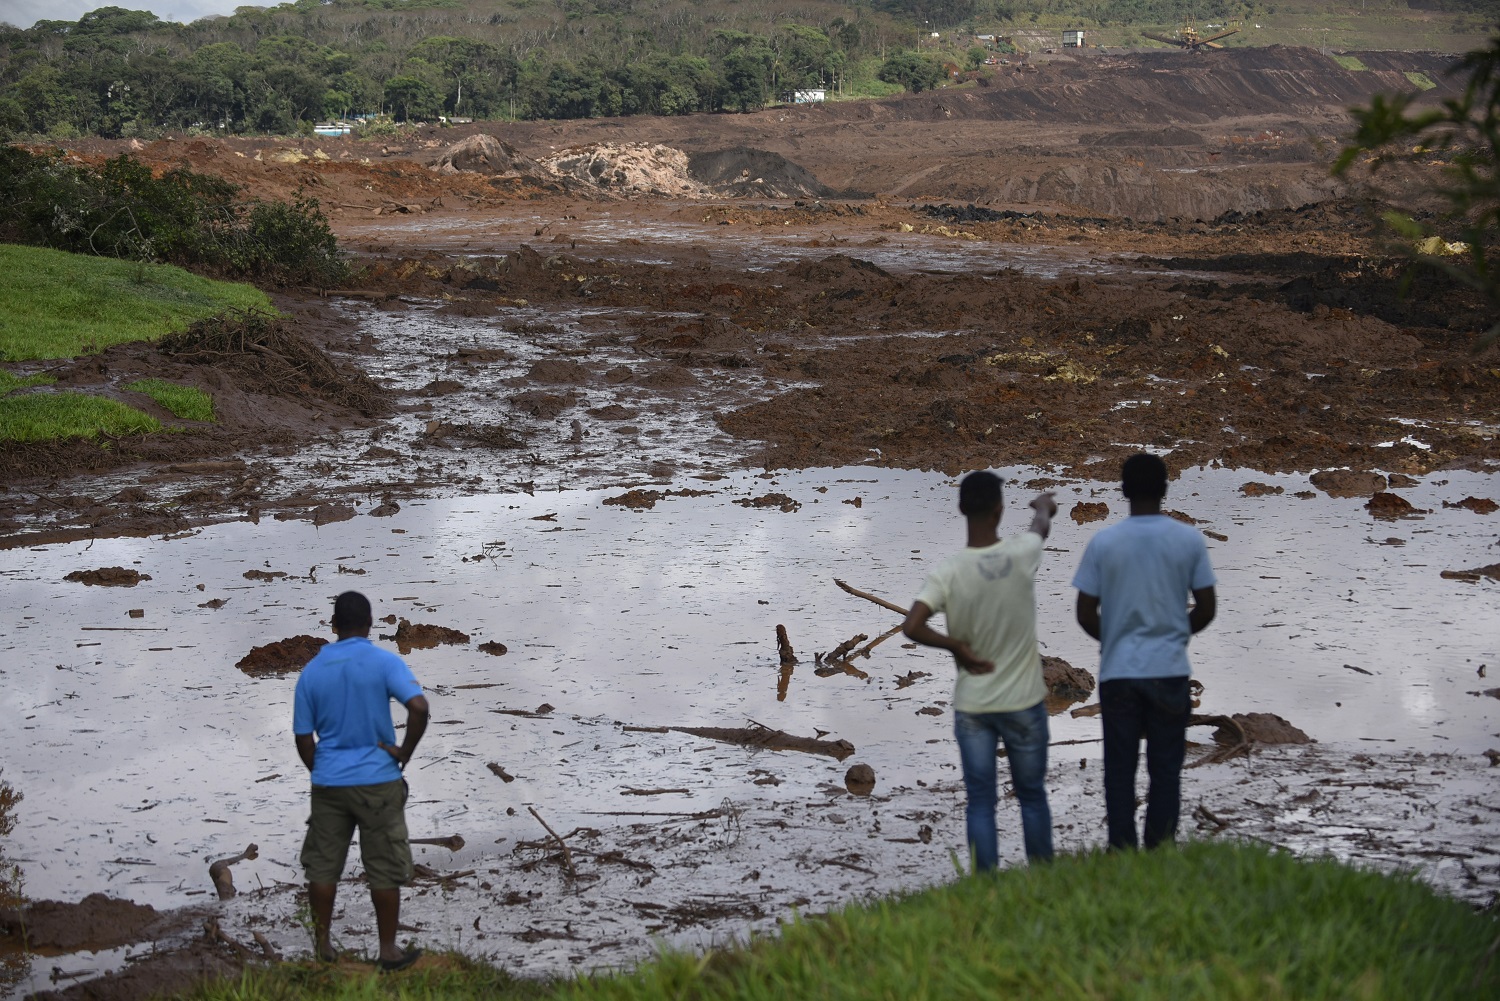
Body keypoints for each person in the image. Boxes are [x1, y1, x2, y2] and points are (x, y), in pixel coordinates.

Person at [903, 471, 1058, 869]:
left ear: (960, 508)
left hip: (973, 707)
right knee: (1032, 796)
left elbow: (912, 626)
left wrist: (956, 646)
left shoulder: (948, 572)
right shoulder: (1022, 553)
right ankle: (1044, 879)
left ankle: (984, 887)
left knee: (980, 801)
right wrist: (1042, 505)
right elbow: (1040, 527)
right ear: (1000, 510)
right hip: (1024, 703)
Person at [1072, 453, 1217, 851]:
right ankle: (1160, 850)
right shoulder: (1187, 539)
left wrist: (1115, 639)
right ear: (1166, 489)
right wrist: (1173, 636)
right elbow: (1206, 608)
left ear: (1122, 491)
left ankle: (1121, 852)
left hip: (1119, 674)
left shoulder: (1104, 542)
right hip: (1168, 671)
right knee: (1166, 769)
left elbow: (1085, 613)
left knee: (1119, 770)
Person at [293, 591, 430, 971]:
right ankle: (388, 951)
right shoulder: (385, 662)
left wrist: (320, 770)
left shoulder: (312, 672)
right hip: (378, 782)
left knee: (322, 868)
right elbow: (418, 707)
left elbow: (304, 738)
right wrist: (403, 753)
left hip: (329, 783)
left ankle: (322, 947)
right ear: (370, 625)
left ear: (333, 626)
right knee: (384, 866)